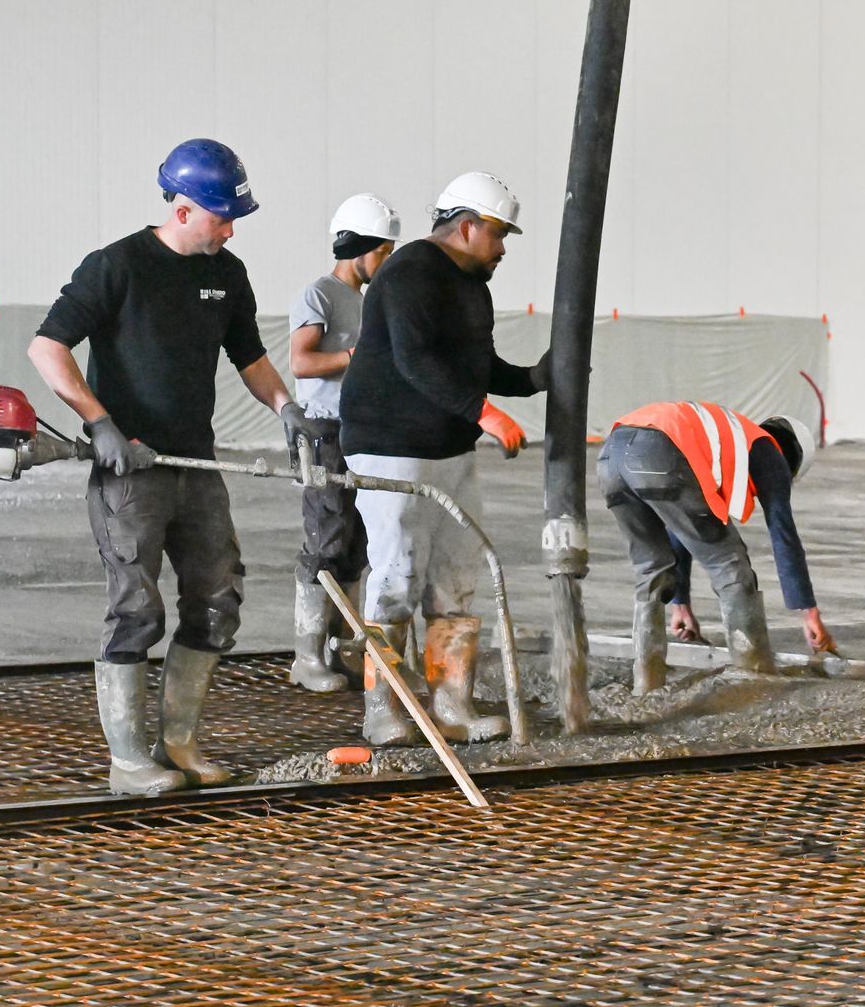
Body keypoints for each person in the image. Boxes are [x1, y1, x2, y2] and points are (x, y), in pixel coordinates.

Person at [28, 138, 326, 795]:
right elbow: (47, 347)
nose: (231, 227)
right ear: (185, 208)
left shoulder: (229, 274)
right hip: (129, 471)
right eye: (223, 215)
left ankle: (180, 743)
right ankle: (130, 760)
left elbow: (248, 355)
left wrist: (284, 405)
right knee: (136, 608)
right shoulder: (117, 267)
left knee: (218, 602)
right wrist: (98, 422)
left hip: (196, 463)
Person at [338, 172, 550, 746]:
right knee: (395, 578)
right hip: (391, 449)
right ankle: (382, 710)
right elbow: (415, 362)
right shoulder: (410, 272)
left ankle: (451, 706)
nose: (503, 249)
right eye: (499, 235)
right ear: (468, 226)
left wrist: (534, 380)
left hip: (448, 449)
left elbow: (477, 366)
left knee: (456, 578)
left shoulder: (471, 286)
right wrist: (487, 415)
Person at [599, 402, 833, 695]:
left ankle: (646, 686)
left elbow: (679, 524)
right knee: (731, 566)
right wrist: (808, 612)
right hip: (657, 450)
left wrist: (680, 604)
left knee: (650, 568)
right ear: (792, 461)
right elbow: (783, 533)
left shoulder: (727, 441)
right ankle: (754, 681)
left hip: (611, 456)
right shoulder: (767, 450)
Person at [286, 193, 401, 692]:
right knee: (326, 536)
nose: (387, 262)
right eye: (383, 252)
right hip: (321, 429)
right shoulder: (320, 295)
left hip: (360, 429)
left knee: (357, 543)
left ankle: (340, 649)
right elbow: (302, 362)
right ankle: (306, 656)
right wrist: (358, 356)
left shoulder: (374, 300)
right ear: (358, 247)